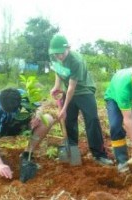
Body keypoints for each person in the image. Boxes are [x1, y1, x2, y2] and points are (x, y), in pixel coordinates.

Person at [48, 34, 113, 166]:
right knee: (69, 121)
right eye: (56, 54)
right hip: (69, 91)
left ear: (68, 48)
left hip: (84, 91)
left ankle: (99, 155)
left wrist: (64, 108)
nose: (59, 56)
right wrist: (56, 86)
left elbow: (72, 87)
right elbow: (58, 71)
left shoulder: (75, 60)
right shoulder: (54, 56)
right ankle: (71, 151)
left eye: (61, 53)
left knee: (92, 120)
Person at [0, 88, 54, 179]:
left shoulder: (21, 95)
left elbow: (38, 106)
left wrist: (38, 115)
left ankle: (27, 155)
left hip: (16, 123)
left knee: (47, 118)